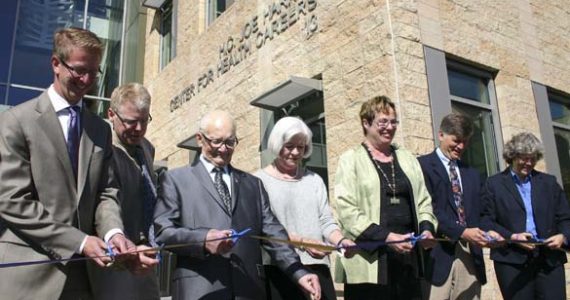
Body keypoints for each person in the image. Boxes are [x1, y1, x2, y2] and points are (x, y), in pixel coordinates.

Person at [0, 27, 155, 299]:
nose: (86, 80)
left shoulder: (100, 130)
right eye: (79, 70)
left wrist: (113, 233)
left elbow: (106, 193)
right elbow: (13, 201)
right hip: (29, 279)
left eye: (94, 73)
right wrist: (80, 241)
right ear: (56, 64)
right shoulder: (15, 122)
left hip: (86, 280)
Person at [153, 110, 321, 300]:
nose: (224, 149)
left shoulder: (253, 184)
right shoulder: (175, 180)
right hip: (200, 291)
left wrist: (299, 272)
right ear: (200, 139)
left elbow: (273, 233)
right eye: (216, 141)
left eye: (230, 142)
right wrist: (203, 240)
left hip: (248, 289)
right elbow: (163, 232)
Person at [333, 95, 438, 300]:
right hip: (369, 262)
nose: (389, 127)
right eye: (382, 121)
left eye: (393, 122)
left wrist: (426, 229)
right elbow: (347, 210)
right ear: (366, 123)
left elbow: (424, 200)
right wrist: (388, 238)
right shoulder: (350, 159)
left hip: (408, 260)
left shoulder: (408, 159)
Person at [254, 116, 356, 300]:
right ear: (277, 144)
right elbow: (263, 229)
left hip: (318, 267)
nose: (295, 152)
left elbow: (326, 221)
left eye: (300, 147)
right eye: (289, 146)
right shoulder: (258, 181)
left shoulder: (315, 180)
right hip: (279, 270)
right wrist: (302, 242)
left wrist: (340, 241)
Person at [88, 83, 160, 300]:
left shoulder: (147, 148)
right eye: (130, 122)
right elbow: (105, 199)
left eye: (144, 120)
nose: (138, 129)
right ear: (111, 114)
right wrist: (117, 237)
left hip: (146, 257)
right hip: (116, 261)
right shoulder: (99, 147)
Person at [419, 113, 502, 300]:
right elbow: (428, 209)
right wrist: (462, 232)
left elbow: (483, 211)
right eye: (456, 140)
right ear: (441, 135)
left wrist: (490, 231)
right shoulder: (422, 166)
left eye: (465, 142)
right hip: (438, 252)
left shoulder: (472, 173)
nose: (461, 147)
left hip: (470, 255)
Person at [481, 132, 570, 300]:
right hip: (511, 261)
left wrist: (563, 237)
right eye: (524, 158)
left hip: (549, 260)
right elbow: (486, 220)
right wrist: (512, 237)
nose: (529, 163)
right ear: (512, 156)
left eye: (533, 158)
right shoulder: (493, 184)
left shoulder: (549, 182)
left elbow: (565, 217)